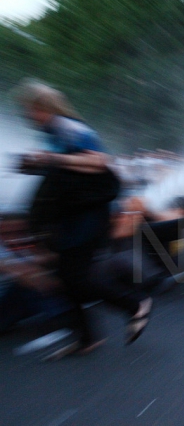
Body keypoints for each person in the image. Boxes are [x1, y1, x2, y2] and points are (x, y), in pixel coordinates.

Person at [13, 80, 152, 357]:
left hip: (87, 217)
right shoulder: (52, 131)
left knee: (75, 277)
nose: (27, 115)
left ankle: (135, 305)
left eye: (29, 109)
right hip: (72, 216)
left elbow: (99, 162)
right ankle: (86, 338)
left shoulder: (69, 128)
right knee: (64, 277)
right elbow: (65, 174)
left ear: (41, 107)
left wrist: (51, 160)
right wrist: (37, 165)